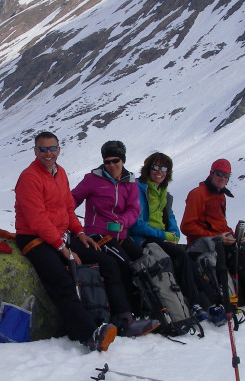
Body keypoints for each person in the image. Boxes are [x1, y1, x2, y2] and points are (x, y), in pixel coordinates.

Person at [14, 132, 157, 352]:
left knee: (107, 262)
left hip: (60, 234)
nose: (48, 153)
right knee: (62, 279)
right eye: (42, 149)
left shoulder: (60, 173)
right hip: (34, 237)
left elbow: (67, 208)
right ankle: (89, 334)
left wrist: (79, 233)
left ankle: (124, 319)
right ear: (35, 151)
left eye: (52, 148)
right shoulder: (29, 177)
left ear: (59, 149)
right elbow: (37, 220)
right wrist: (63, 249)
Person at [71, 140, 145, 312]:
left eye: (115, 161)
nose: (111, 165)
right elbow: (73, 199)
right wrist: (64, 217)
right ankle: (128, 312)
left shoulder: (130, 181)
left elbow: (134, 209)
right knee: (123, 264)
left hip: (121, 235)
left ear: (123, 160)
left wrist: (123, 222)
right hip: (98, 234)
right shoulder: (92, 179)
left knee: (142, 260)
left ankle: (144, 307)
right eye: (107, 162)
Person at [128, 152, 205, 316]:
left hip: (159, 237)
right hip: (144, 238)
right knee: (181, 256)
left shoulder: (163, 192)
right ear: (148, 168)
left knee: (183, 257)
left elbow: (170, 217)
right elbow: (136, 224)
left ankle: (203, 300)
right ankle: (197, 303)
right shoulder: (138, 188)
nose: (159, 172)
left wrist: (174, 235)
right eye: (155, 167)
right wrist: (164, 236)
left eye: (164, 169)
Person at [180, 158, 236, 246]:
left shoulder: (221, 196)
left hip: (219, 243)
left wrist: (233, 235)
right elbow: (187, 226)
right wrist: (215, 238)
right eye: (219, 174)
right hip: (201, 246)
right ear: (211, 174)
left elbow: (219, 225)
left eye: (226, 175)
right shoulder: (197, 194)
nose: (223, 178)